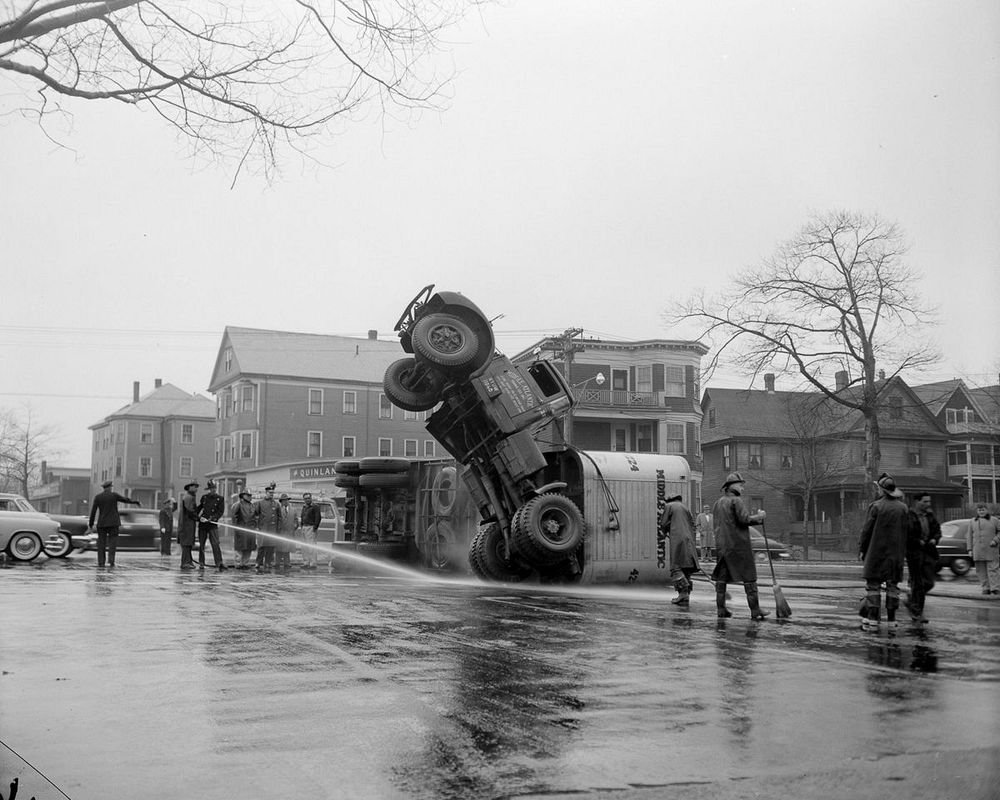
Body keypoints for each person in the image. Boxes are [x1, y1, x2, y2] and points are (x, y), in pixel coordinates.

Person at [710, 472, 768, 619]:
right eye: (741, 485)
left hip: (722, 547)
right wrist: (759, 518)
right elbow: (744, 520)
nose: (742, 488)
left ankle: (721, 609)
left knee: (721, 580)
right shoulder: (736, 501)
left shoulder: (717, 503)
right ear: (732, 486)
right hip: (739, 546)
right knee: (750, 579)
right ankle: (755, 611)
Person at [858, 473, 909, 632]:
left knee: (873, 586)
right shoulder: (903, 508)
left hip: (876, 553)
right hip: (896, 555)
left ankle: (873, 618)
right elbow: (907, 532)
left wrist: (862, 549)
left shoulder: (876, 506)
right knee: (893, 587)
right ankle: (892, 620)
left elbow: (867, 531)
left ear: (881, 490)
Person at [87, 480, 141, 568]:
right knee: (112, 543)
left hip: (102, 523)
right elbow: (125, 500)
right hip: (113, 523)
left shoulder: (98, 497)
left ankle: (101, 562)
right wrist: (135, 502)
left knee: (101, 544)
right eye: (111, 487)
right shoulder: (114, 496)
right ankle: (111, 561)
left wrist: (90, 524)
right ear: (109, 487)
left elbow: (93, 511)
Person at [905, 492, 941, 624]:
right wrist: (916, 541)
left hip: (928, 552)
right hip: (914, 553)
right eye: (925, 501)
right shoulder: (909, 516)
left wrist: (934, 539)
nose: (928, 504)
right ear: (917, 502)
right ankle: (917, 612)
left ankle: (912, 601)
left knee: (929, 582)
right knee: (918, 583)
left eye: (929, 501)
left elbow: (937, 530)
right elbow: (906, 534)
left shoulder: (930, 515)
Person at [661, 495, 699, 605]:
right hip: (688, 540)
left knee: (676, 567)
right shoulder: (685, 507)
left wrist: (664, 531)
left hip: (677, 539)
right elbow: (692, 524)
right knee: (686, 566)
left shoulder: (669, 506)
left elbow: (663, 523)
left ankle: (683, 593)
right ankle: (685, 595)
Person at [967, 503, 1000, 595]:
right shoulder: (972, 521)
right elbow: (969, 536)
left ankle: (995, 588)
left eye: (983, 509)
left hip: (991, 549)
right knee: (980, 570)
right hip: (977, 550)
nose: (981, 512)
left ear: (987, 510)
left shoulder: (995, 520)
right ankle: (985, 588)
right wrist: (969, 549)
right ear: (977, 511)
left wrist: (996, 540)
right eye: (979, 510)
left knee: (993, 569)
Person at [197, 479, 227, 570]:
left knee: (215, 543)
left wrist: (212, 519)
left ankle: (219, 562)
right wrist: (198, 518)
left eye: (214, 488)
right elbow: (199, 508)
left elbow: (220, 512)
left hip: (212, 524)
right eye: (211, 488)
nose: (213, 490)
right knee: (202, 544)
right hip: (203, 524)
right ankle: (201, 562)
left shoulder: (220, 499)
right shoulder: (204, 498)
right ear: (209, 489)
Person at [254, 483, 280, 572]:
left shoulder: (276, 504)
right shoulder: (260, 503)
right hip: (263, 528)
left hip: (273, 529)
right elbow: (256, 515)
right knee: (261, 547)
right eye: (269, 493)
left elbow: (279, 517)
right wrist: (258, 526)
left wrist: (278, 529)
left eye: (272, 493)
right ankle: (258, 562)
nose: (271, 495)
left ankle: (268, 562)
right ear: (266, 493)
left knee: (270, 547)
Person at [231, 489, 257, 569]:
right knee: (240, 548)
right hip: (241, 530)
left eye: (250, 496)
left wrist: (255, 527)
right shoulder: (238, 505)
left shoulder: (252, 506)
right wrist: (236, 528)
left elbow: (255, 518)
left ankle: (245, 563)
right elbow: (234, 517)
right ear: (243, 495)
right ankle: (238, 563)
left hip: (250, 530)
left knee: (248, 547)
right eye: (248, 495)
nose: (250, 497)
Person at [177, 481, 200, 570]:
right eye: (194, 487)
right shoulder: (188, 497)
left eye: (197, 487)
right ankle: (185, 562)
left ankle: (188, 561)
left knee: (189, 543)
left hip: (189, 524)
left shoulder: (190, 497)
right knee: (186, 543)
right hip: (186, 524)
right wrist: (197, 518)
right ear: (189, 487)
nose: (196, 489)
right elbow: (190, 511)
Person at [299, 492, 322, 570]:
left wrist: (314, 528)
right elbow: (302, 516)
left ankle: (313, 563)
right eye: (305, 498)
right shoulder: (304, 507)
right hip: (304, 527)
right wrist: (301, 526)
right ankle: (306, 562)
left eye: (308, 498)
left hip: (311, 527)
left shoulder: (315, 506)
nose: (307, 500)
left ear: (311, 498)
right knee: (304, 546)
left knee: (311, 546)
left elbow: (318, 517)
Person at [274, 493, 296, 571]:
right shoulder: (278, 509)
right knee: (279, 549)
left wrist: (294, 527)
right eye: (283, 500)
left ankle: (287, 563)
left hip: (289, 533)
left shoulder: (293, 510)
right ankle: (277, 563)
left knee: (287, 550)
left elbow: (296, 520)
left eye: (287, 500)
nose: (285, 502)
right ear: (281, 501)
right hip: (280, 533)